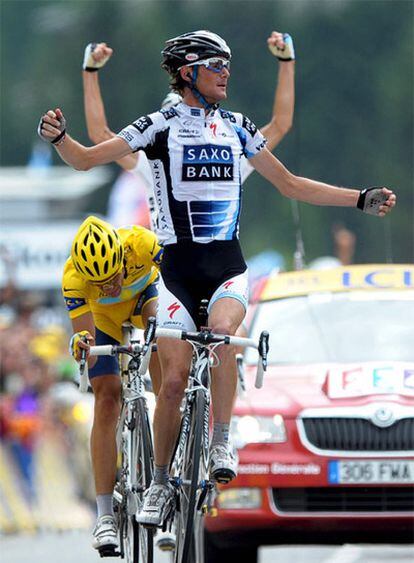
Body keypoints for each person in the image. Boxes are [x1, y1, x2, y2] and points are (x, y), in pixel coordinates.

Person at [38, 29, 396, 529]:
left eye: (229, 63)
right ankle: (160, 481)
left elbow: (290, 183)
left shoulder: (237, 127)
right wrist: (59, 138)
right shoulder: (158, 126)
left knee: (224, 337)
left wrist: (358, 197)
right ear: (188, 72)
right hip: (175, 272)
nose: (227, 72)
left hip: (227, 267)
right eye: (216, 64)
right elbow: (86, 154)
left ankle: (221, 439)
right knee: (173, 380)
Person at [81, 32, 296, 229]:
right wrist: (90, 72)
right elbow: (100, 135)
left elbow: (280, 124)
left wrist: (287, 61)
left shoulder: (230, 154)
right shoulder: (154, 161)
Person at [62, 215, 163, 550]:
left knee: (168, 377)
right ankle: (104, 515)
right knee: (106, 396)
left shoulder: (142, 243)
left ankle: (170, 468)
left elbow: (178, 284)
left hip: (144, 301)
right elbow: (86, 338)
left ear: (122, 256)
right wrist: (80, 345)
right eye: (100, 284)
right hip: (104, 320)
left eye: (113, 276)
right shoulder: (73, 278)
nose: (110, 287)